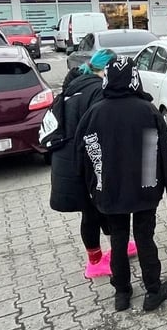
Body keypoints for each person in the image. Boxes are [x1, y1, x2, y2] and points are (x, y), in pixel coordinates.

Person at [75, 56, 167, 312]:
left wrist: (89, 191)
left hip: (109, 187)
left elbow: (82, 156)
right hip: (145, 182)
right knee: (145, 237)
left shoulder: (95, 113)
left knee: (118, 239)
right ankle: (153, 289)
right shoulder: (147, 110)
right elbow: (162, 153)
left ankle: (121, 292)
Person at [49, 49, 127, 279]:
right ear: (106, 70)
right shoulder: (96, 90)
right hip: (83, 160)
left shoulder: (75, 85)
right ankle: (95, 262)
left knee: (98, 206)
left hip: (69, 158)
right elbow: (101, 127)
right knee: (92, 210)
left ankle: (116, 246)